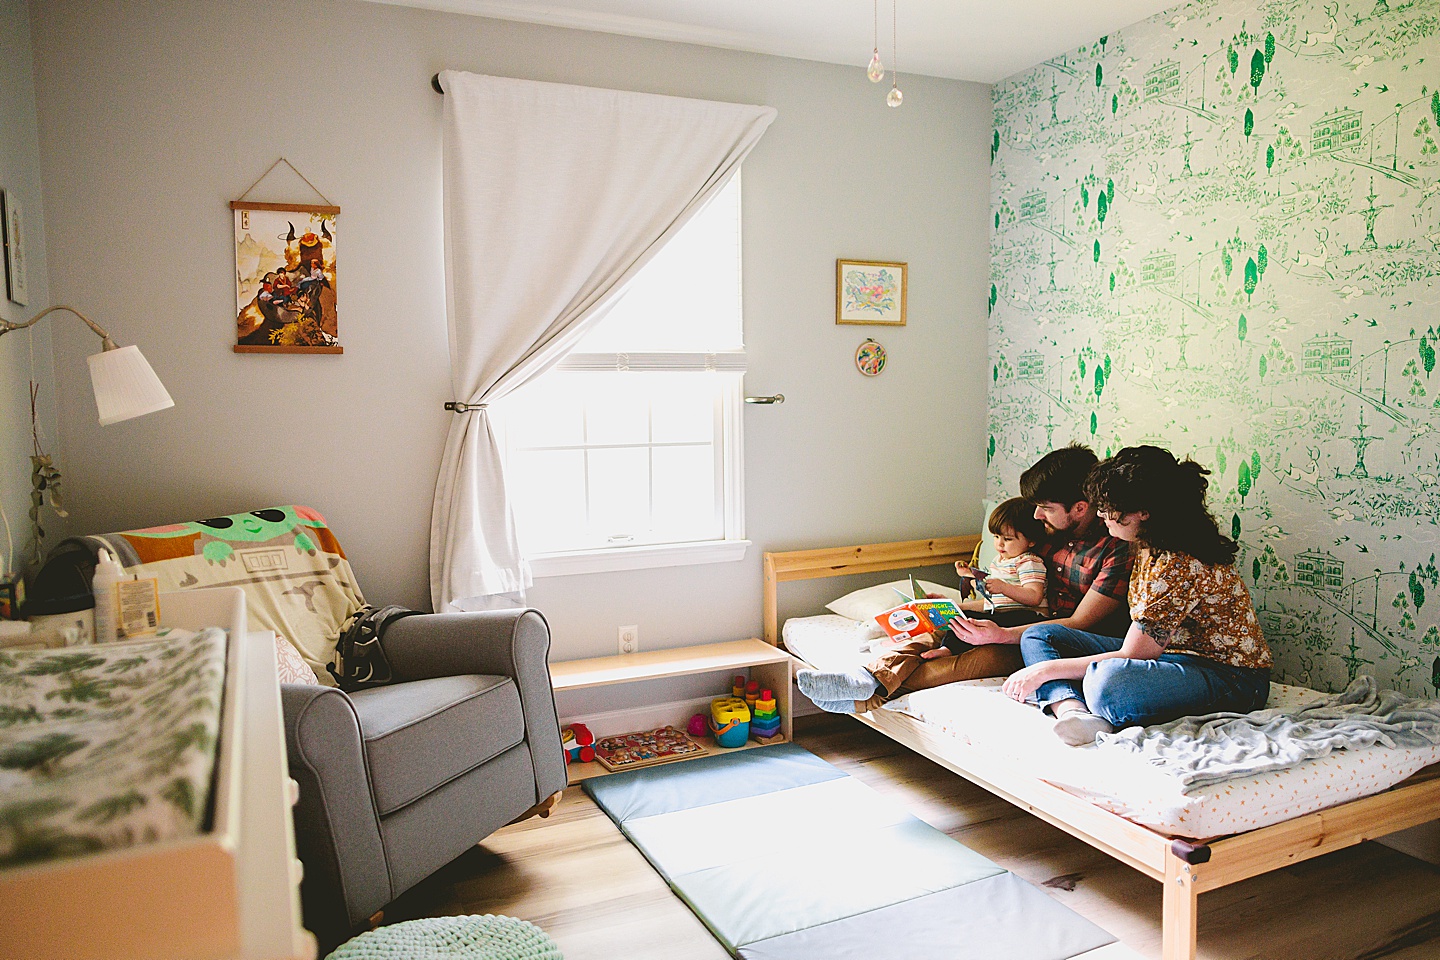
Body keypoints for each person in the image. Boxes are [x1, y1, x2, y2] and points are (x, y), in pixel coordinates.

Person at [796, 445, 1133, 713]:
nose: (1036, 515)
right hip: (1014, 620)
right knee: (938, 634)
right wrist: (961, 602)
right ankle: (866, 675)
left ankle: (865, 693)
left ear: (1079, 507)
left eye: (1045, 507)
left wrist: (1001, 635)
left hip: (1058, 641)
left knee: (982, 658)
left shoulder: (1118, 549)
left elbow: (1080, 624)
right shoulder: (1046, 533)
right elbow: (1006, 571)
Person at [1001, 445, 1272, 746]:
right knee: (1040, 636)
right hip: (1170, 655)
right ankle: (1072, 710)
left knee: (1106, 682)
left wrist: (1045, 670)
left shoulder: (1178, 562)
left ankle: (1096, 707)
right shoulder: (1146, 543)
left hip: (1230, 677)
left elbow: (1136, 655)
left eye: (1110, 510)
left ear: (1144, 512)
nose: (1101, 515)